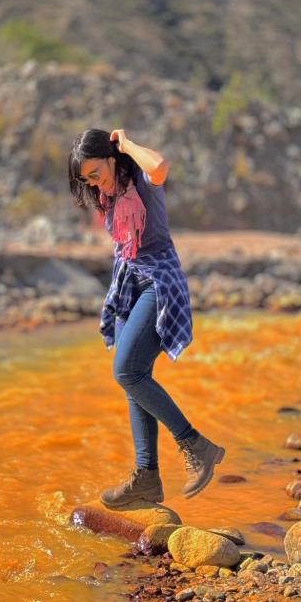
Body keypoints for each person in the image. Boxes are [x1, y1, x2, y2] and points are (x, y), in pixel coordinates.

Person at [68, 127, 225, 507]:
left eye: (95, 172)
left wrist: (126, 144)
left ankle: (195, 445)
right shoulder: (106, 194)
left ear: (110, 156)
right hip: (129, 286)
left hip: (160, 282)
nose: (93, 183)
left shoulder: (140, 177)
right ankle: (147, 479)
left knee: (126, 370)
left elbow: (160, 166)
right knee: (134, 378)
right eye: (85, 179)